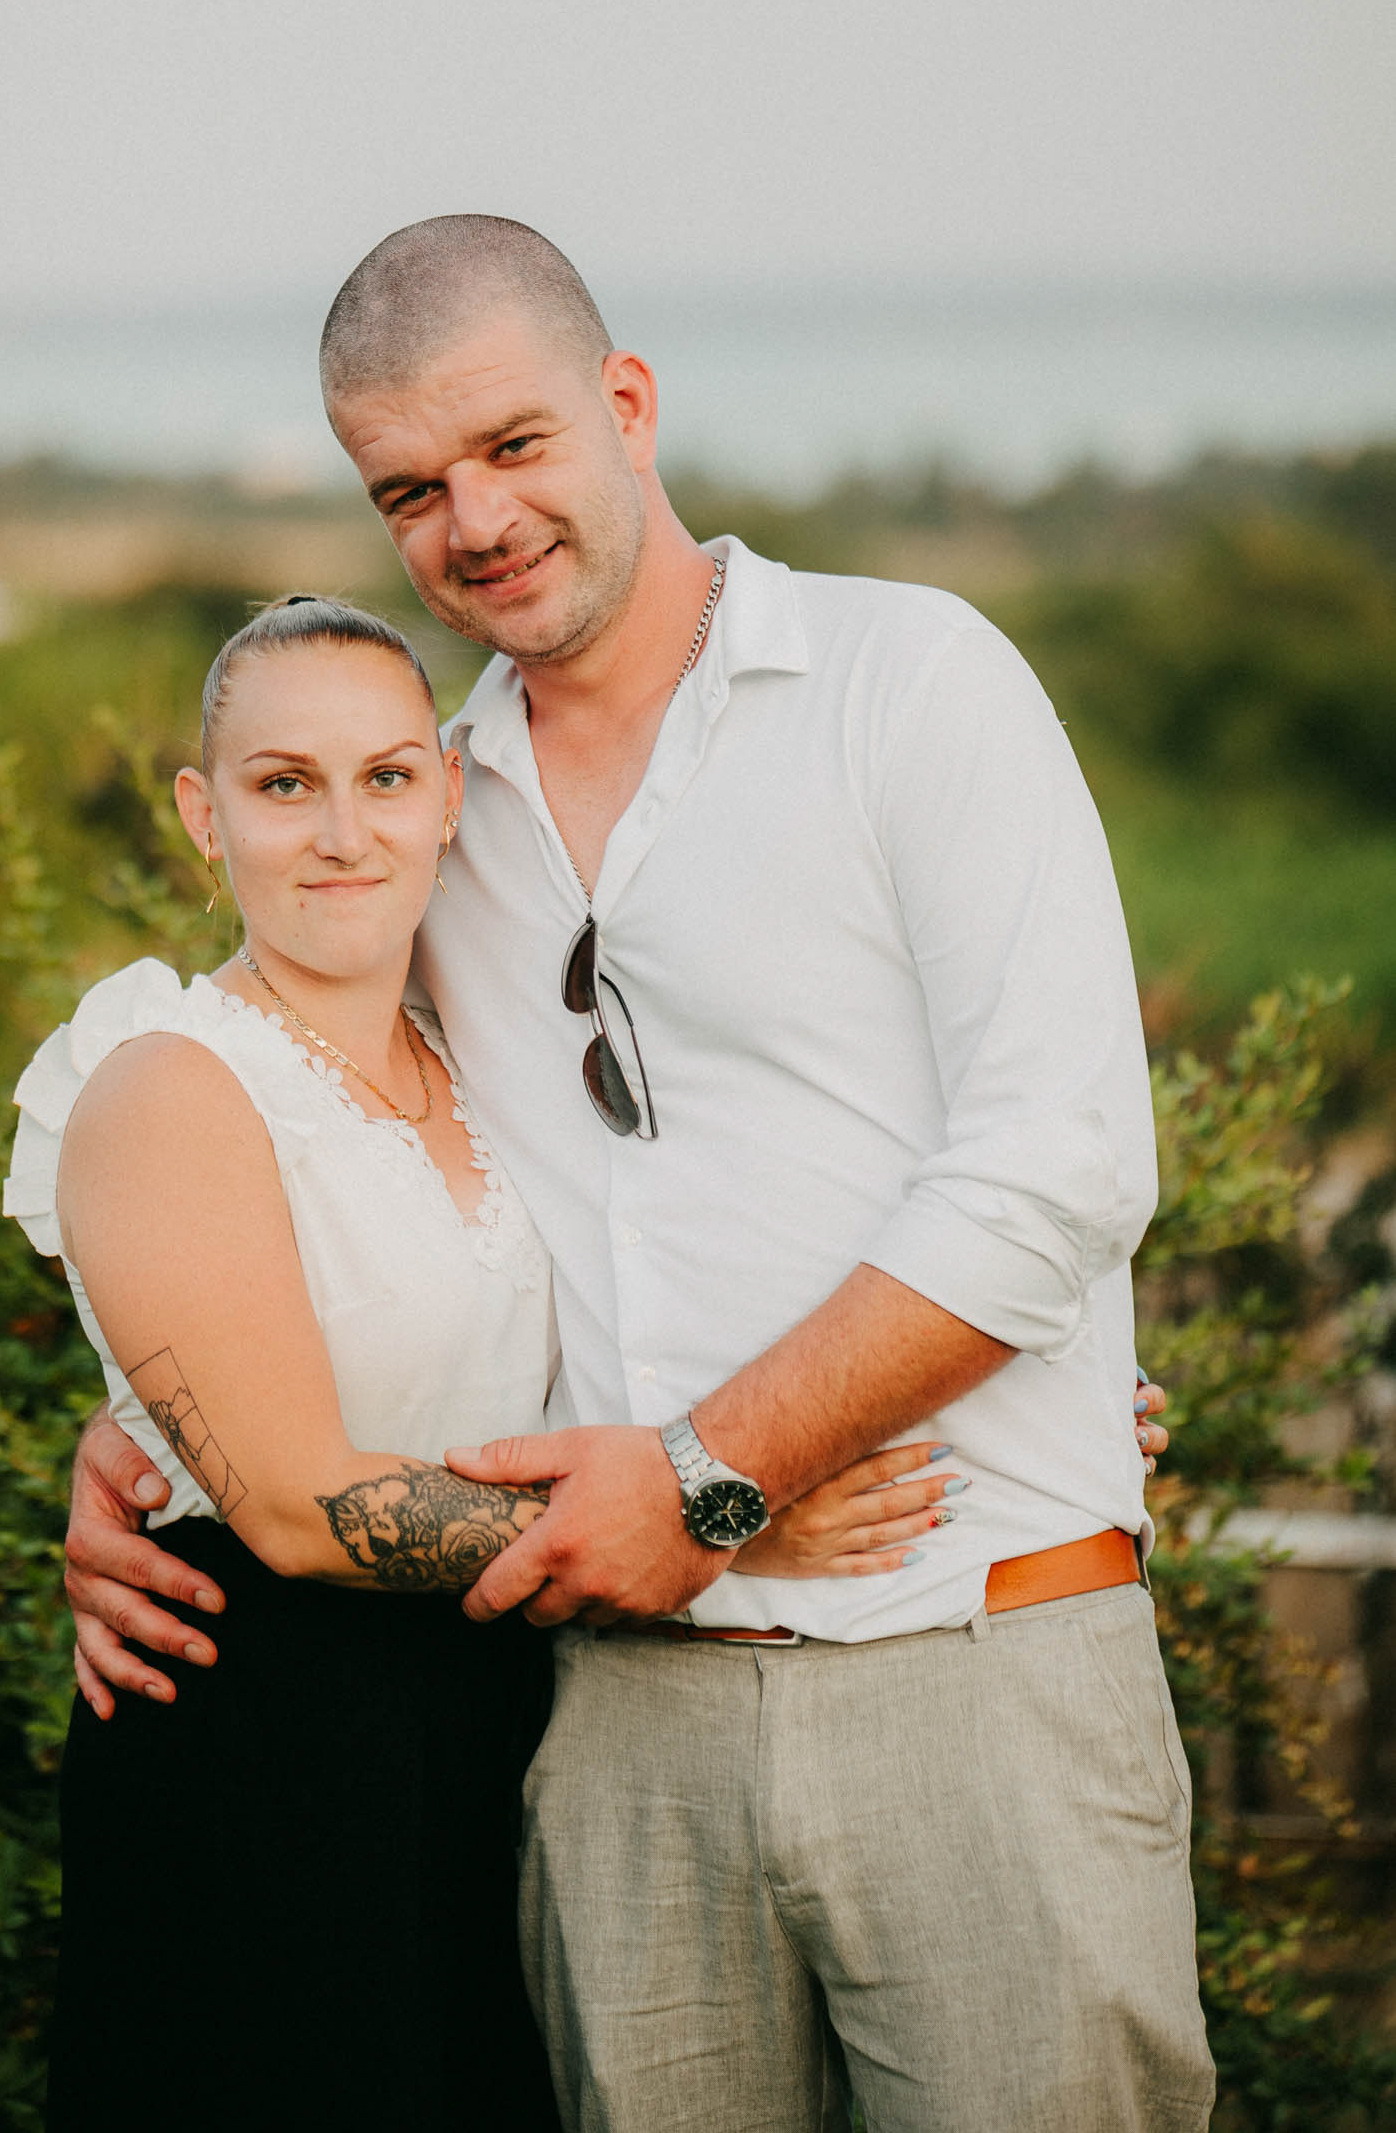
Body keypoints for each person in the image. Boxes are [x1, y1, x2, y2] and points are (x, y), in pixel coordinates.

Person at [59, 218, 1213, 2133]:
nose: (474, 521)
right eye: (408, 489)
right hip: (610, 1729)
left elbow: (1059, 1167)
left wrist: (710, 1476)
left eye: (513, 445)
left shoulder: (905, 680)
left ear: (627, 401)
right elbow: (302, 1160)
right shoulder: (430, 807)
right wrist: (146, 1439)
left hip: (970, 1658)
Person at [6, 594, 969, 2130]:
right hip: (268, 1743)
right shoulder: (166, 1083)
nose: (342, 833)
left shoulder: (487, 1062)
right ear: (202, 814)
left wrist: (1013, 1377)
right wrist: (718, 1518)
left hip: (496, 1731)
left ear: (448, 797)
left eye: (386, 777)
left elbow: (689, 1268)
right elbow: (296, 1510)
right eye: (282, 784)